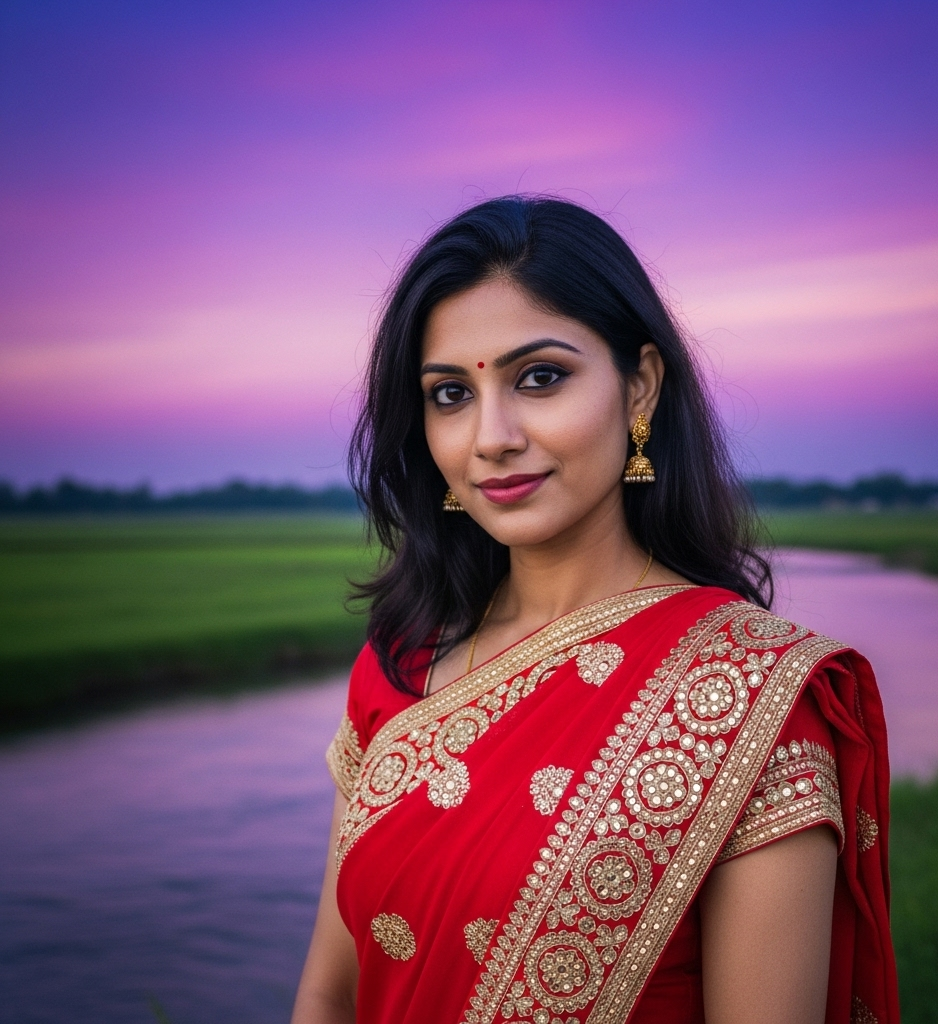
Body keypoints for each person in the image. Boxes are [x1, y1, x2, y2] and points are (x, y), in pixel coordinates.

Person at [292, 196, 898, 1024]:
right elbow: (330, 992)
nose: (491, 436)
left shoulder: (749, 699)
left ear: (640, 386)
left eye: (539, 378)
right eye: (448, 395)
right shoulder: (400, 662)